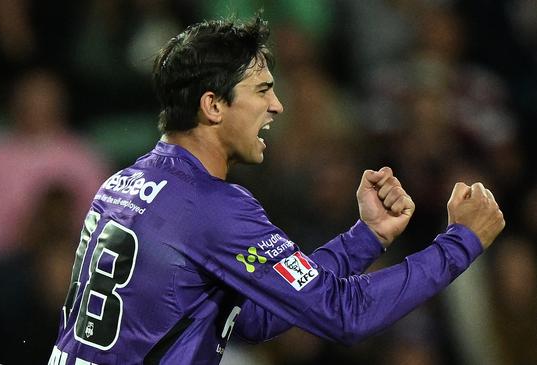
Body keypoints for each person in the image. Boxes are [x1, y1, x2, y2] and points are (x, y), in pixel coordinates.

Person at [48, 16, 505, 365]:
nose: (277, 105)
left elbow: (250, 317)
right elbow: (345, 314)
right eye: (263, 90)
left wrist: (365, 239)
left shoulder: (121, 184)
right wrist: (461, 242)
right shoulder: (210, 207)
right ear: (213, 105)